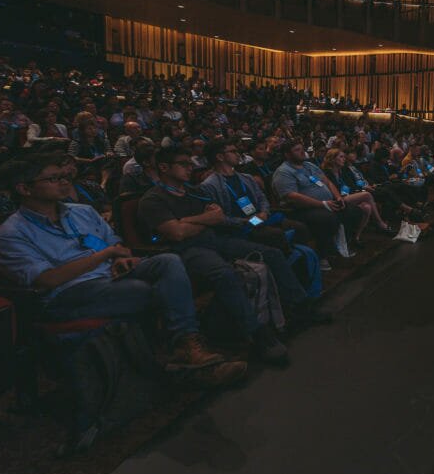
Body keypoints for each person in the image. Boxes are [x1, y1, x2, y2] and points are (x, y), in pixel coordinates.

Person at [0, 153, 245, 386]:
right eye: (54, 178)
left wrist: (120, 258)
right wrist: (107, 255)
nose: (65, 182)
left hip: (109, 274)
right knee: (143, 289)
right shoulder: (10, 234)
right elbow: (48, 279)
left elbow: (116, 245)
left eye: (65, 176)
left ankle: (185, 345)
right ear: (24, 188)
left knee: (168, 261)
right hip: (69, 293)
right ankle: (177, 357)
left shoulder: (82, 212)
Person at [136, 147, 296, 365]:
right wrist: (204, 219)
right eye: (183, 163)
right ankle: (257, 334)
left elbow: (218, 217)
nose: (190, 167)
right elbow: (177, 233)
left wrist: (189, 221)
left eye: (190, 163)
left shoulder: (194, 190)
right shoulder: (153, 199)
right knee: (224, 273)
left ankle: (299, 306)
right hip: (186, 250)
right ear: (164, 167)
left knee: (272, 253)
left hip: (215, 239)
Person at [272, 138, 363, 269]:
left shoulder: (309, 166)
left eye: (302, 148)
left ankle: (340, 246)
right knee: (328, 218)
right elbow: (292, 196)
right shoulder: (283, 172)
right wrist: (322, 204)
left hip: (326, 203)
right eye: (297, 150)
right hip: (301, 209)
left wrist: (338, 198)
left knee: (353, 211)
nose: (302, 152)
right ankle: (322, 256)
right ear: (287, 154)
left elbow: (328, 182)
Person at [321, 148, 393, 242]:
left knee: (367, 207)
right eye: (341, 157)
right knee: (366, 194)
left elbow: (349, 186)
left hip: (348, 195)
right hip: (338, 199)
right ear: (333, 159)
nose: (344, 159)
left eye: (344, 156)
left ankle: (356, 237)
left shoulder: (341, 171)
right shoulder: (327, 173)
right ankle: (380, 223)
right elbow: (332, 191)